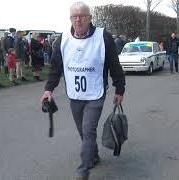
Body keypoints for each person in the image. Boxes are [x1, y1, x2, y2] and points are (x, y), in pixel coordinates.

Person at [40, 2, 125, 180]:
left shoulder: (103, 37)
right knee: (83, 132)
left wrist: (119, 89)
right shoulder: (62, 40)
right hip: (75, 96)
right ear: (70, 18)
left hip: (96, 94)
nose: (78, 20)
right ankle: (93, 156)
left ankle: (82, 171)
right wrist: (49, 90)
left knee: (88, 130)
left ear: (89, 18)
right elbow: (56, 68)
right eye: (74, 16)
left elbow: (114, 65)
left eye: (82, 16)